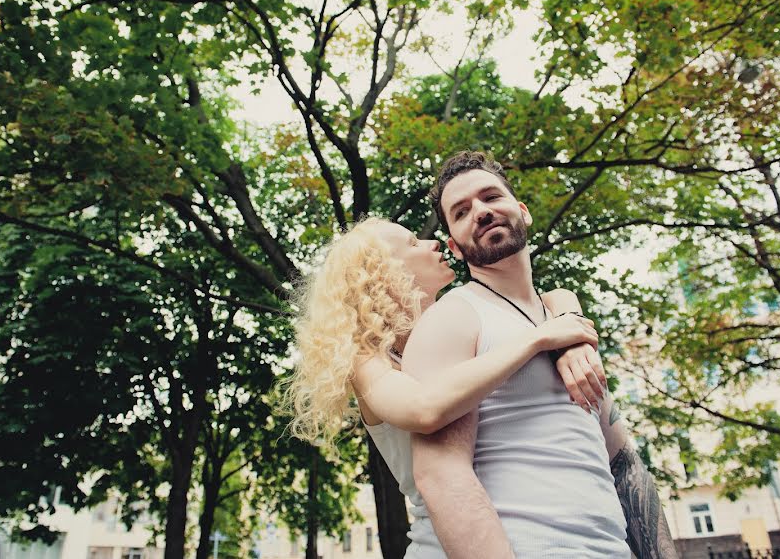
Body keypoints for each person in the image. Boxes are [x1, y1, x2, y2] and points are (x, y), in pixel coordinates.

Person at [402, 150, 679, 558]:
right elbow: (441, 475)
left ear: (522, 210)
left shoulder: (565, 324)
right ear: (455, 248)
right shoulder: (455, 316)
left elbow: (624, 464)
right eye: (461, 212)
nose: (480, 211)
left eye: (491, 197)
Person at [285, 217, 610, 556]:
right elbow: (424, 408)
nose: (433, 244)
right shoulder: (367, 362)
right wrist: (537, 339)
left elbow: (553, 296)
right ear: (380, 271)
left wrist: (567, 317)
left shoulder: (458, 326)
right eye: (413, 244)